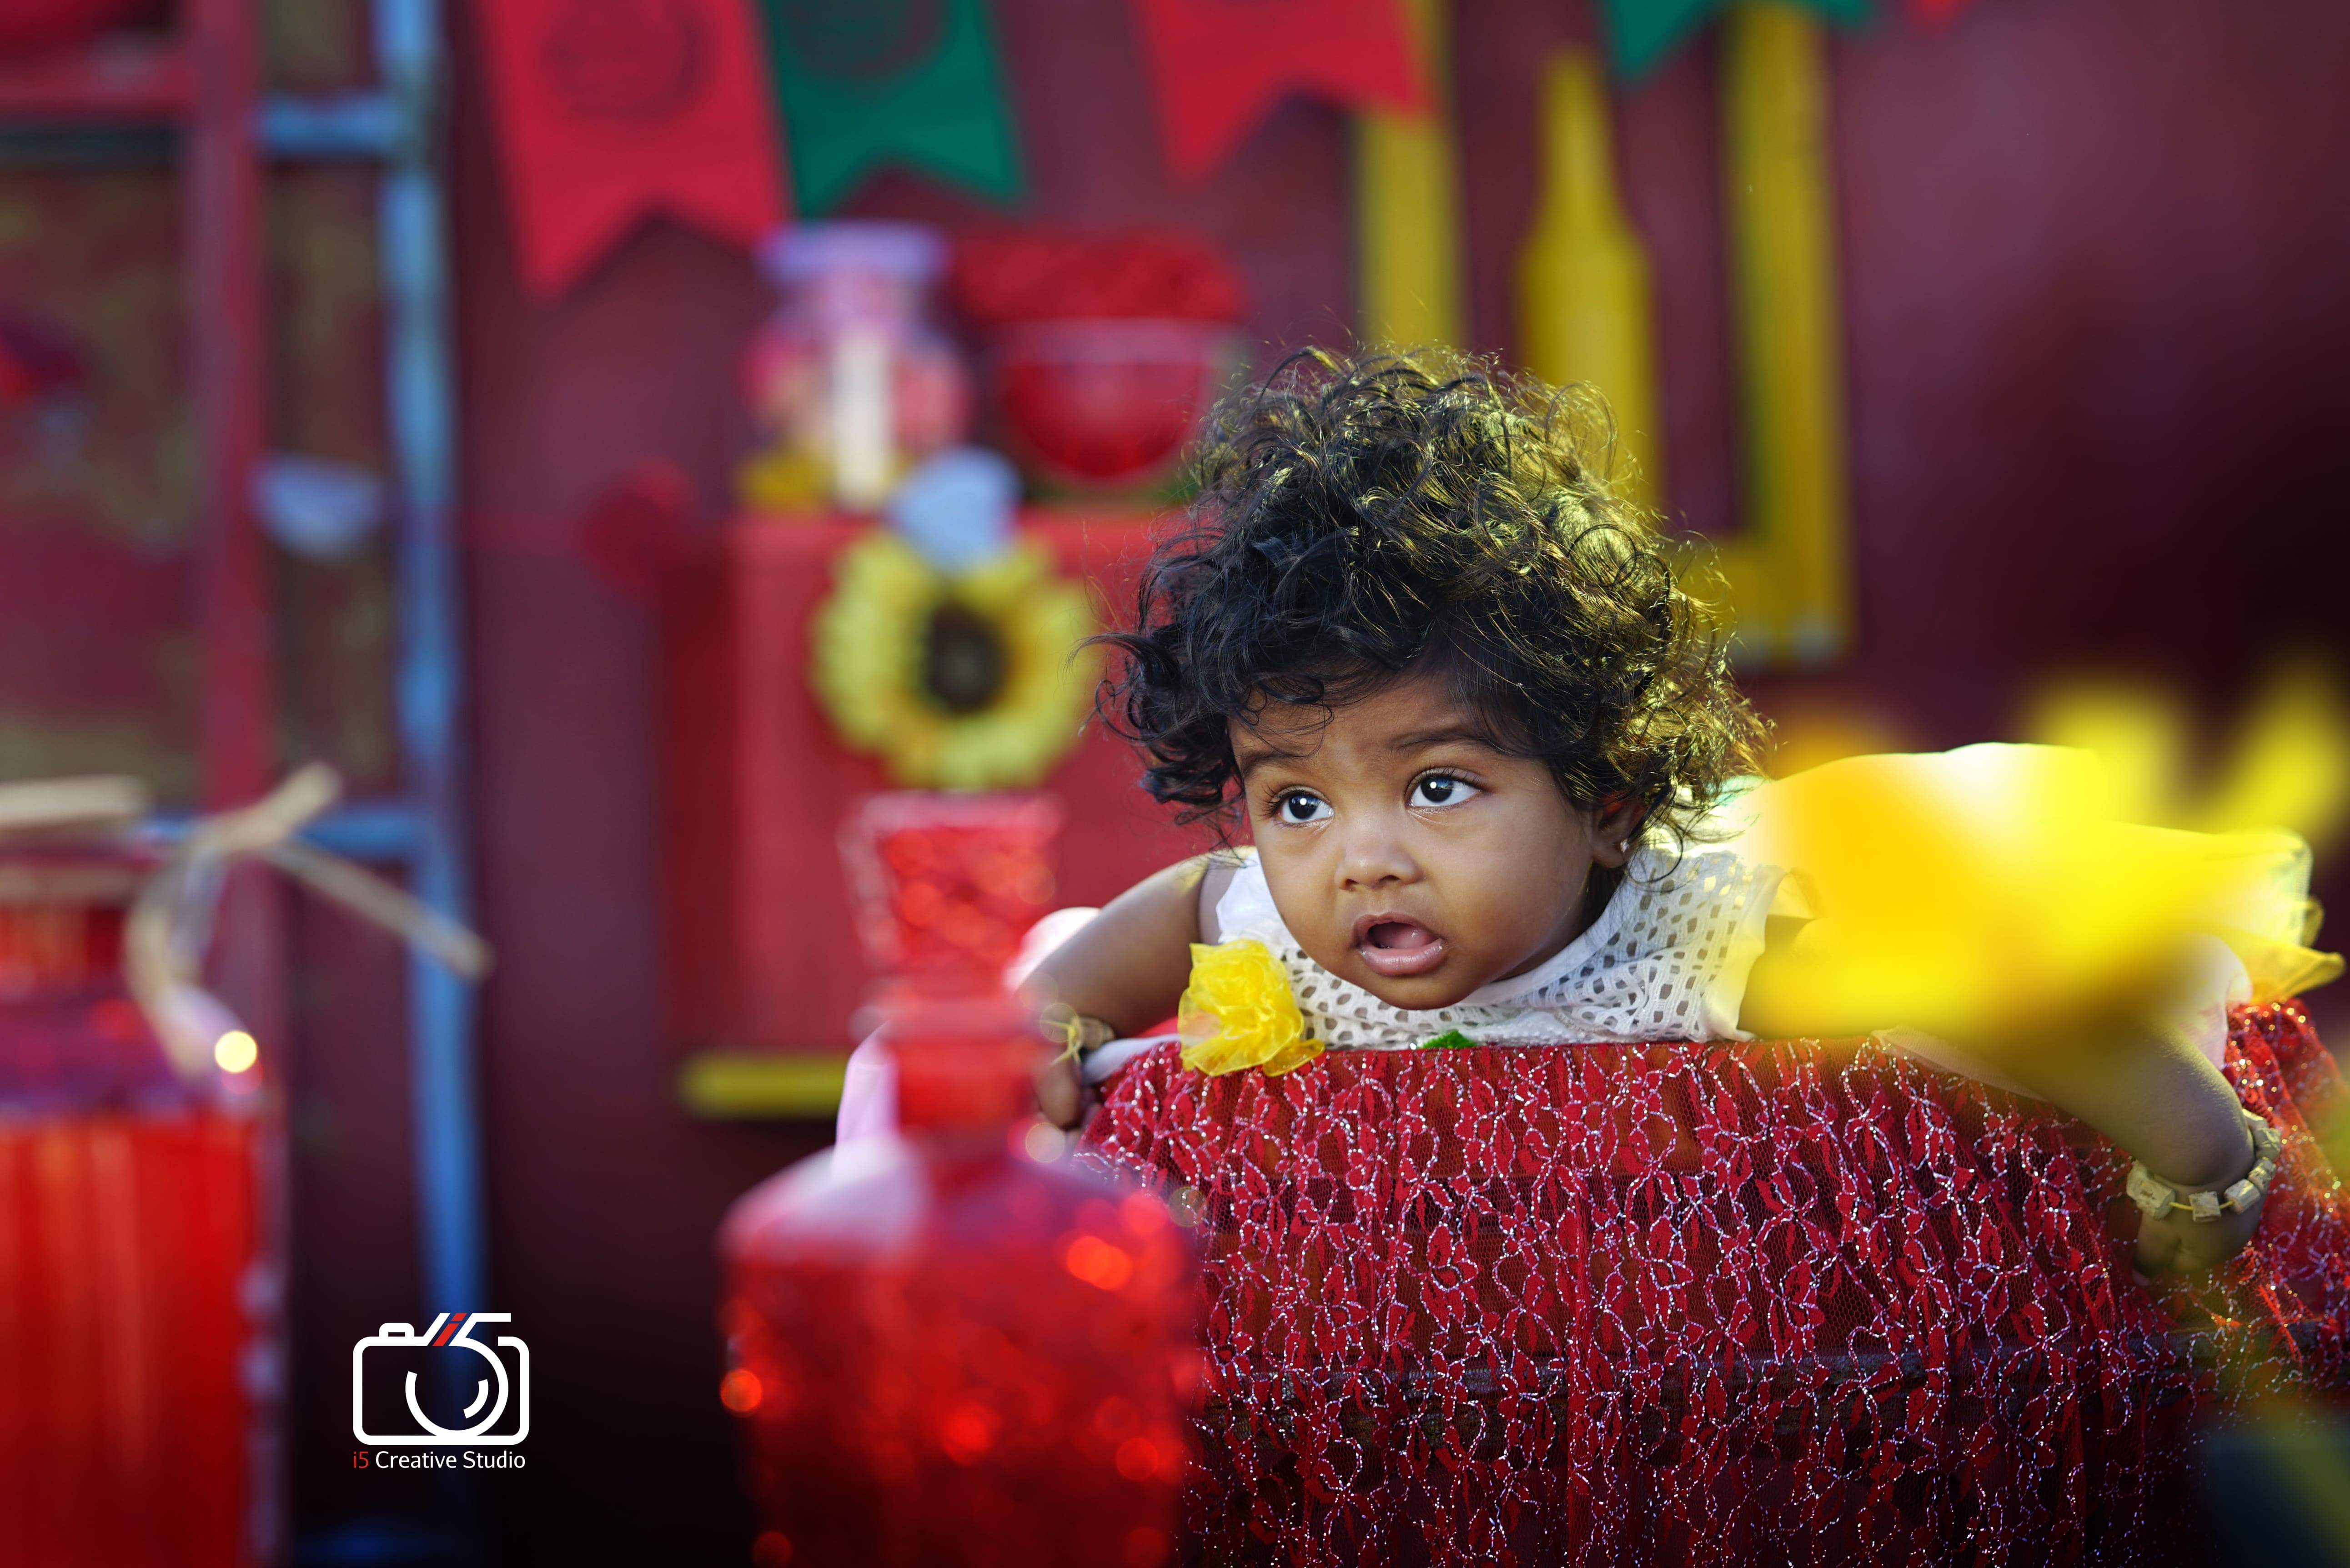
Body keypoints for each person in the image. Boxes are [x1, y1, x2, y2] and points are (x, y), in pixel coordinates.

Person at [1022, 347, 2334, 1277]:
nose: (1361, 859)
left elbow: (1993, 997)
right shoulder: (1286, 906)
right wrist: (1049, 1013)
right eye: (1296, 800)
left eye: (1438, 787)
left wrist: (2202, 1152)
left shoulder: (1693, 938)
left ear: (1601, 804)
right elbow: (1180, 907)